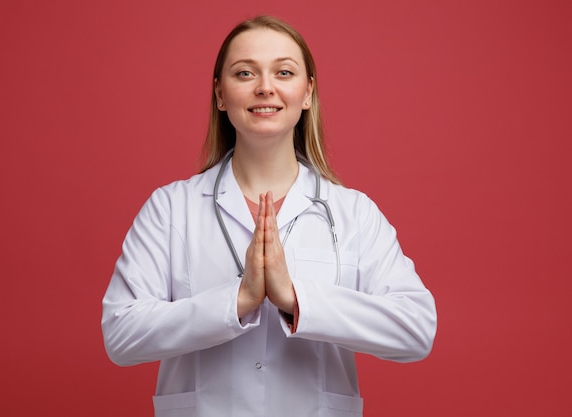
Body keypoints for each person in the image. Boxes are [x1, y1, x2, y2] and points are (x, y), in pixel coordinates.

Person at [102, 15, 437, 417]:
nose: (265, 87)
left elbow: (416, 330)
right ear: (220, 95)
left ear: (307, 92)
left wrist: (296, 300)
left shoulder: (354, 214)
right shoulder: (171, 208)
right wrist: (238, 299)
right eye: (245, 73)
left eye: (284, 72)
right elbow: (120, 335)